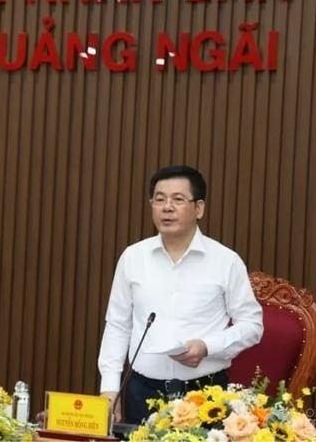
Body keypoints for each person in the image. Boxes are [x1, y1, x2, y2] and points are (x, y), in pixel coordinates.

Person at [98, 165, 263, 424]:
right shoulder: (133, 257)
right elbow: (118, 325)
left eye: (178, 199)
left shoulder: (225, 261)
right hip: (141, 392)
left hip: (205, 396)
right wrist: (110, 388)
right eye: (159, 199)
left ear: (199, 208)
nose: (167, 207)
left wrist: (207, 347)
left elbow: (252, 325)